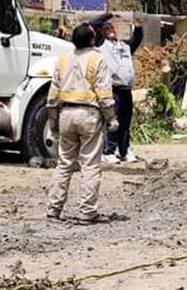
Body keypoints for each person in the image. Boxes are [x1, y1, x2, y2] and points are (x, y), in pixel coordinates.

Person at [45, 23, 117, 224]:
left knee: (64, 163)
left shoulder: (62, 59)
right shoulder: (97, 59)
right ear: (92, 40)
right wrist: (111, 118)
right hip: (89, 115)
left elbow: (53, 94)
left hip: (66, 114)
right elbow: (104, 93)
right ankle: (87, 212)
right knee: (90, 165)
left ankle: (54, 209)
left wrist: (53, 121)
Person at [92, 14, 143, 164]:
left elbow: (136, 40)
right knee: (112, 121)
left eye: (112, 27)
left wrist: (138, 28)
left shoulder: (124, 46)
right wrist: (109, 15)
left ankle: (124, 150)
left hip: (126, 89)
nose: (110, 30)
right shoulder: (101, 45)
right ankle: (108, 151)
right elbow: (94, 23)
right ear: (102, 32)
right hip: (112, 88)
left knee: (125, 122)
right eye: (107, 28)